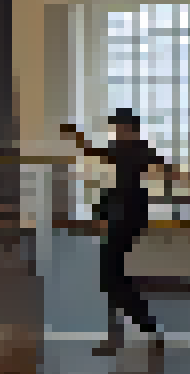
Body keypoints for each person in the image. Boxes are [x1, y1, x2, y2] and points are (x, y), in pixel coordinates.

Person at [61, 109, 169, 354]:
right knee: (112, 278)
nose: (115, 132)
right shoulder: (123, 148)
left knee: (112, 278)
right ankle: (125, 332)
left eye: (119, 127)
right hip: (117, 216)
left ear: (129, 128)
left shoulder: (137, 148)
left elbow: (161, 167)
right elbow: (96, 154)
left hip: (125, 219)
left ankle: (140, 328)